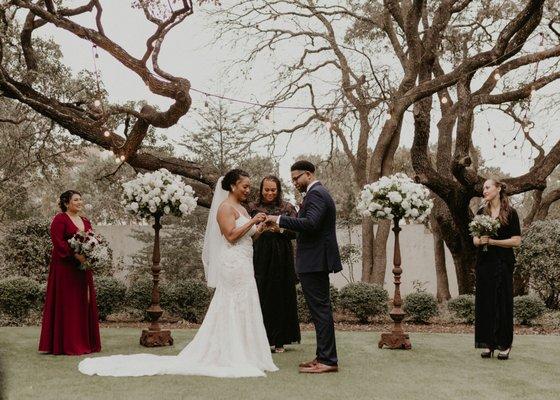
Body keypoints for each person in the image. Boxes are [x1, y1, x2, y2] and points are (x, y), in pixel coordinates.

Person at [78, 169, 278, 377]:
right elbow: (230, 236)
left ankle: (248, 353)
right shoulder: (225, 208)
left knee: (246, 304)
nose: (248, 190)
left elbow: (248, 238)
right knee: (232, 304)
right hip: (233, 264)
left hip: (245, 262)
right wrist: (252, 222)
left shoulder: (242, 209)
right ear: (233, 186)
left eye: (249, 186)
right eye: (245, 186)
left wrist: (261, 228)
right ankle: (231, 354)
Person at [267, 160, 342, 373]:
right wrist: (280, 228)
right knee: (320, 311)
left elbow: (311, 224)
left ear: (308, 174)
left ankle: (328, 360)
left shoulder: (317, 193)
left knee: (321, 311)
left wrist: (279, 218)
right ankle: (322, 356)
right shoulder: (314, 194)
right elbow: (307, 229)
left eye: (296, 178)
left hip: (315, 261)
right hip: (313, 260)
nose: (294, 183)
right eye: (292, 180)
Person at [39, 190, 101, 355]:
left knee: (83, 302)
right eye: (76, 200)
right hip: (65, 268)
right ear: (66, 203)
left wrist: (90, 256)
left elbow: (92, 241)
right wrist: (76, 255)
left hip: (82, 269)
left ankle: (86, 343)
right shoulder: (60, 219)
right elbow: (58, 242)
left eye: (81, 199)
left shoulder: (85, 221)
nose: (80, 202)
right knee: (68, 304)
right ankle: (67, 344)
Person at [248, 175, 301, 353]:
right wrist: (260, 228)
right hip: (259, 255)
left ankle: (280, 340)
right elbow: (246, 231)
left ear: (278, 190)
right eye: (266, 189)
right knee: (261, 294)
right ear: (261, 190)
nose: (270, 193)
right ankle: (260, 339)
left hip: (281, 255)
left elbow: (298, 231)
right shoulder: (252, 208)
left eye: (273, 190)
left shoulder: (287, 207)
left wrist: (281, 229)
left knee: (280, 295)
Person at [473, 179, 522, 360]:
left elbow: (516, 241)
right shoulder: (481, 212)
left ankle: (504, 344)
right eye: (483, 188)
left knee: (502, 303)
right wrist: (481, 241)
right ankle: (488, 343)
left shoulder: (511, 212)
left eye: (487, 187)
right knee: (485, 303)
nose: (484, 190)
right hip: (484, 264)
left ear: (498, 188)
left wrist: (493, 242)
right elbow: (475, 240)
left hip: (503, 264)